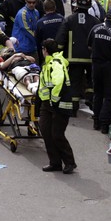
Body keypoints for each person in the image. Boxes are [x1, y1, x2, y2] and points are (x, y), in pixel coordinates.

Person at [38, 39, 77, 174]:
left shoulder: (56, 63)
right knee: (45, 131)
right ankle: (54, 162)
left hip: (59, 104)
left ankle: (70, 162)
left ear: (45, 50)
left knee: (57, 134)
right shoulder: (47, 64)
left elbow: (58, 81)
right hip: (47, 104)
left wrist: (53, 99)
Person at [88, 8, 111, 134]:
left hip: (96, 65)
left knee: (98, 93)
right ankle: (105, 124)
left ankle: (96, 120)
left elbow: (89, 45)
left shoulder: (95, 28)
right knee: (109, 96)